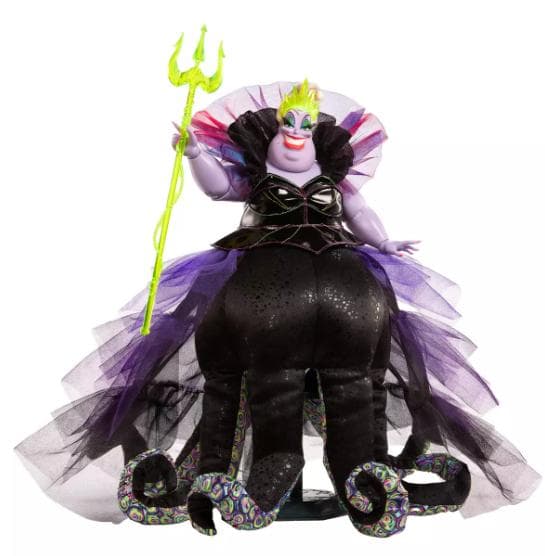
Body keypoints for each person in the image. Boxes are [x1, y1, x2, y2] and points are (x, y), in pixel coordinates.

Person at [15, 81, 540, 537]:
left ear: (317, 134)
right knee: (263, 377)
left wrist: (383, 242)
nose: (296, 131)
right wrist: (194, 152)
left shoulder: (334, 178)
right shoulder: (256, 176)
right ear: (271, 129)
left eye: (305, 125)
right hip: (264, 271)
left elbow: (358, 211)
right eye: (288, 122)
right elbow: (219, 188)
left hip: (341, 270)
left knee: (359, 381)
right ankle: (275, 467)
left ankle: (354, 469)